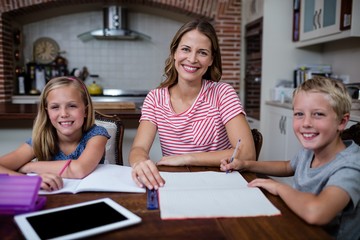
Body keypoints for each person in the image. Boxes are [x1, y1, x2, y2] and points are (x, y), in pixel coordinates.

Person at [220, 77, 360, 239]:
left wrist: (279, 187)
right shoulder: (311, 151)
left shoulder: (351, 166)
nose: (306, 123)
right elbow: (288, 166)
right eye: (299, 114)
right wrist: (245, 164)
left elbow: (317, 212)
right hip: (298, 226)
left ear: (342, 122)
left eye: (318, 114)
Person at [129, 18, 256, 190]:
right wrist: (140, 163)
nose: (192, 58)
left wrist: (187, 158)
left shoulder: (222, 93)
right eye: (186, 49)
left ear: (211, 59)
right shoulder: (155, 98)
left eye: (202, 52)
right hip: (176, 184)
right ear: (174, 53)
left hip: (223, 183)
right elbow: (139, 148)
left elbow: (247, 153)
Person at [0, 77, 110, 191]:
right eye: (55, 107)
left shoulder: (97, 135)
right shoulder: (41, 140)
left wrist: (28, 167)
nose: (63, 114)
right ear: (47, 112)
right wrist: (28, 180)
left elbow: (79, 169)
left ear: (86, 111)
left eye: (72, 106)